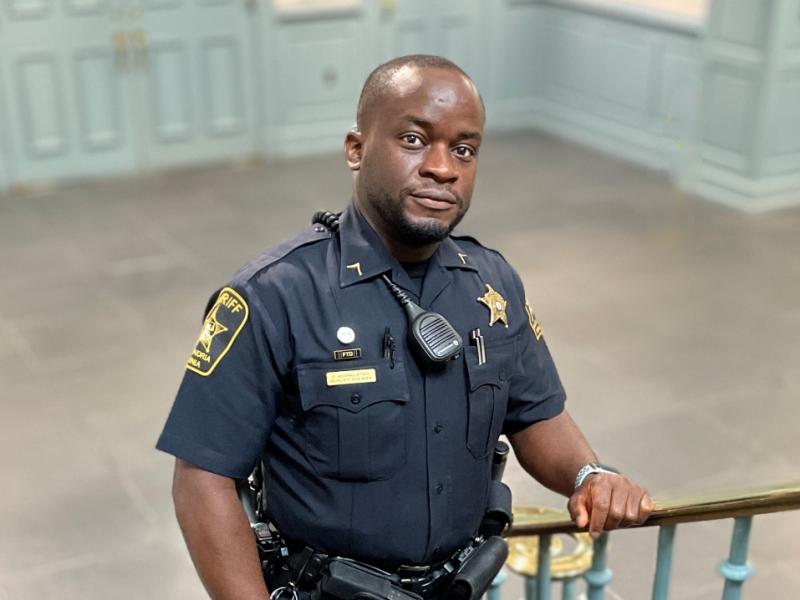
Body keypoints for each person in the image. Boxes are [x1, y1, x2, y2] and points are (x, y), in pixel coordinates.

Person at [156, 55, 653, 600]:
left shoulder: (492, 284)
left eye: (463, 149)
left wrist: (588, 475)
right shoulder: (274, 295)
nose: (443, 167)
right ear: (357, 148)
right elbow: (202, 480)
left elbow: (536, 413)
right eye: (414, 140)